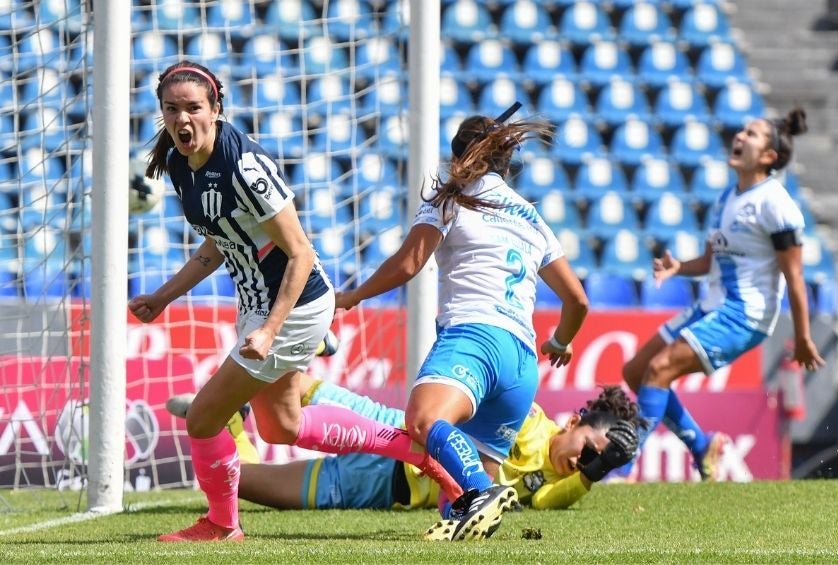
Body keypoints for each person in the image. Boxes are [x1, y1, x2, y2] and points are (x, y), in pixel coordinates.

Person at [130, 61, 458, 542]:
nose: (183, 119)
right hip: (261, 306)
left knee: (203, 418)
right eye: (172, 109)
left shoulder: (243, 165)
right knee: (281, 427)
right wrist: (162, 297)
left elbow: (301, 252)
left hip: (294, 306)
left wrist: (268, 329)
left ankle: (222, 524)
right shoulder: (181, 166)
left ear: (216, 109)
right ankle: (418, 455)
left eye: (194, 108)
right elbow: (218, 243)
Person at [334, 104, 591, 541]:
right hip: (522, 362)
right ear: (506, 165)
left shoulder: (452, 196)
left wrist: (354, 295)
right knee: (464, 522)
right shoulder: (531, 216)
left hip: (474, 339)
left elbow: (410, 262)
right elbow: (578, 300)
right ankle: (473, 501)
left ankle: (483, 488)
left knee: (422, 421)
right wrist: (560, 342)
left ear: (459, 157)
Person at [621, 107, 825, 482]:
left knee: (660, 370)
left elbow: (794, 276)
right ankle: (702, 445)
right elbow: (714, 260)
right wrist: (680, 267)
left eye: (753, 134)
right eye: (742, 130)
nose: (741, 135)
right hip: (712, 304)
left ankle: (621, 466)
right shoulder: (727, 198)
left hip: (744, 315)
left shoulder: (775, 205)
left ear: (768, 157)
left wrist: (803, 337)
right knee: (635, 372)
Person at [166, 377, 644, 513]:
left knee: (241, 485)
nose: (581, 461)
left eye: (595, 464)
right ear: (576, 421)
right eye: (589, 449)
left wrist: (590, 475)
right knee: (303, 390)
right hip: (392, 431)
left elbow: (543, 497)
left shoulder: (556, 486)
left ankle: (226, 424)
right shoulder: (525, 415)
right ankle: (239, 390)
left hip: (382, 486)